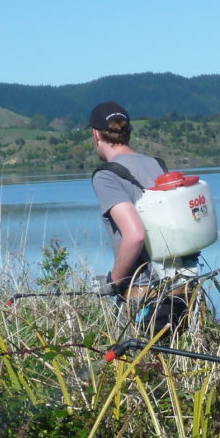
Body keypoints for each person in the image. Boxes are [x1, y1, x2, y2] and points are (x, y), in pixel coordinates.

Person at [89, 100, 166, 297]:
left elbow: (135, 235)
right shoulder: (157, 165)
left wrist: (113, 282)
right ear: (127, 131)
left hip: (144, 292)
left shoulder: (106, 175)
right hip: (181, 285)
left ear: (96, 134)